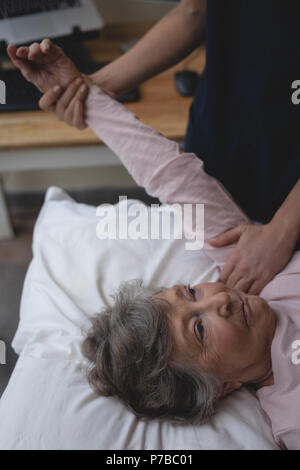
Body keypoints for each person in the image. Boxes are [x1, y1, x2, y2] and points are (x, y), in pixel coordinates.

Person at [6, 39, 300, 450]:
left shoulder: (249, 266)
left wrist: (83, 93)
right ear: (222, 388)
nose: (220, 300)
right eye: (199, 329)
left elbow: (170, 176)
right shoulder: (291, 419)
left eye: (192, 291)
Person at [7, 0, 300, 296]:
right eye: (191, 294)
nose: (218, 303)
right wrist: (89, 90)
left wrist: (284, 228)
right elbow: (195, 11)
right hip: (226, 132)